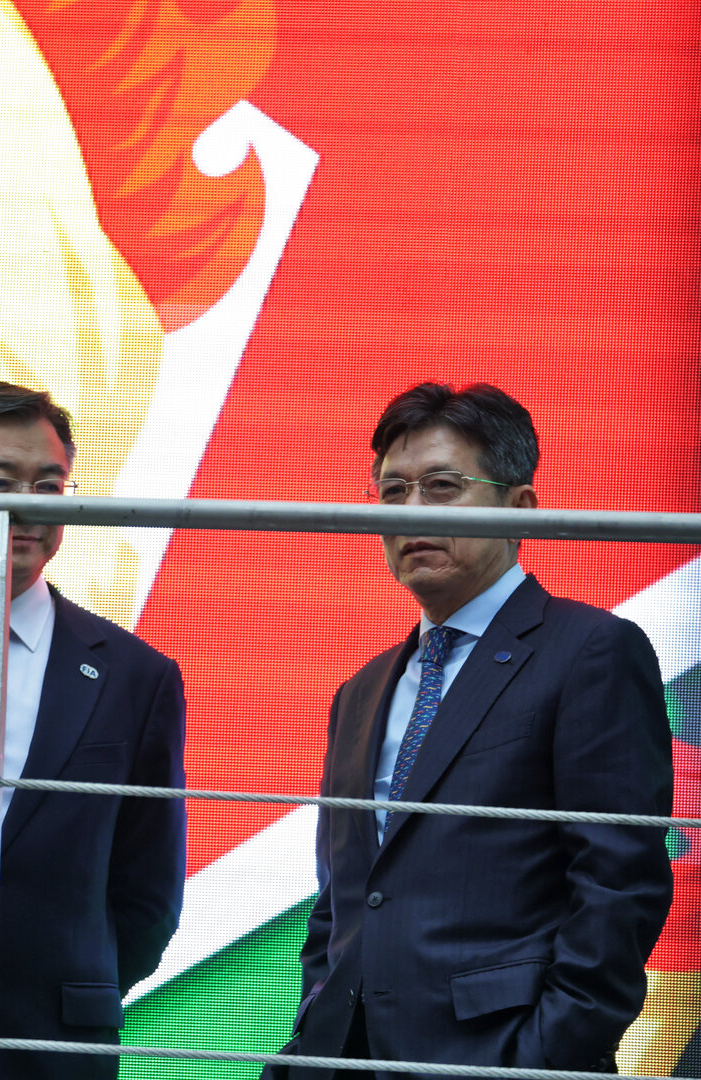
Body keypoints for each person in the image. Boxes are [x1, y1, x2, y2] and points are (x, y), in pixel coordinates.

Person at [275, 382, 673, 1079]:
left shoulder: (591, 651)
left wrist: (548, 1053)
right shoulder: (361, 691)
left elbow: (619, 884)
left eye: (441, 486)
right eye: (392, 491)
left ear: (520, 508)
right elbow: (341, 902)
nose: (412, 511)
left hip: (505, 1057)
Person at [0, 379, 188, 1080]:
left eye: (49, 485)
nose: (27, 508)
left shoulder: (137, 676)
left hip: (56, 1045)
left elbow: (147, 891)